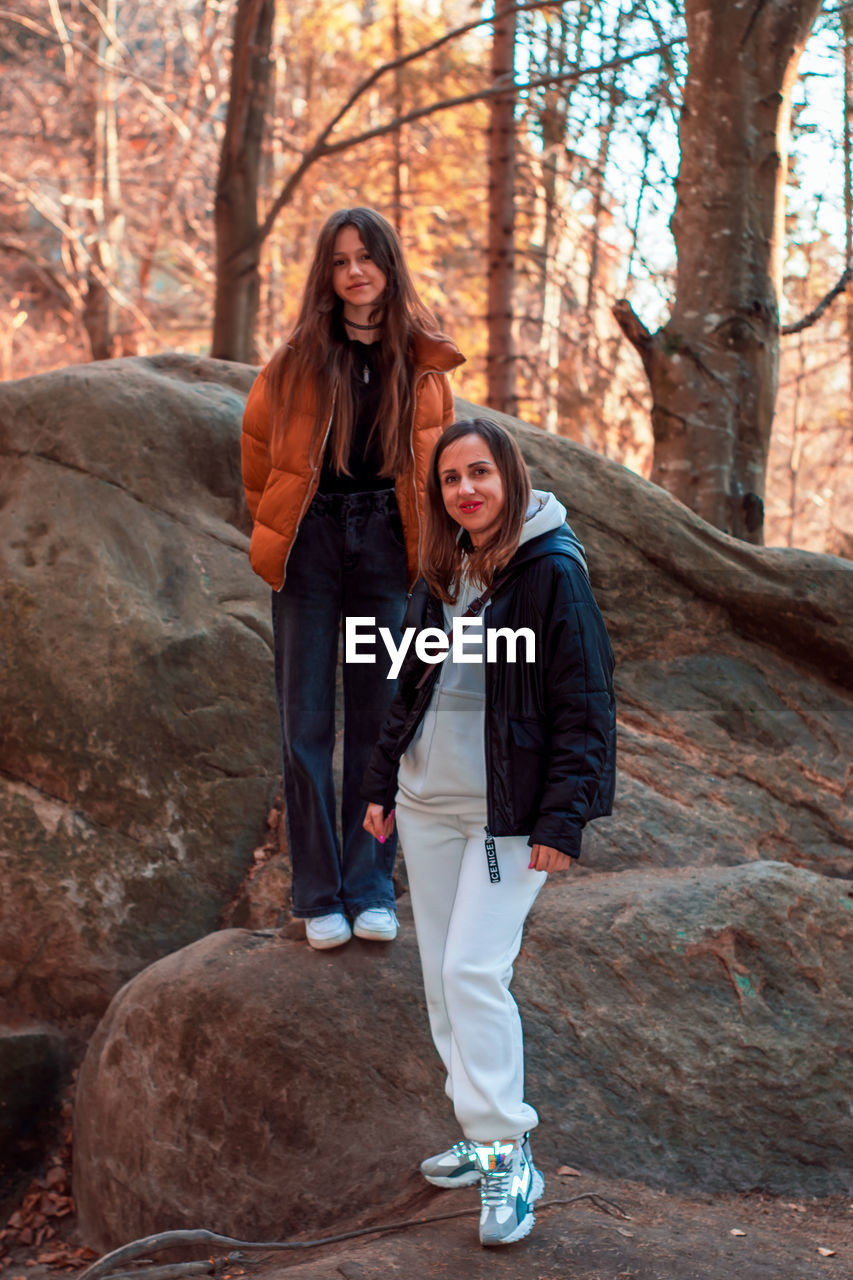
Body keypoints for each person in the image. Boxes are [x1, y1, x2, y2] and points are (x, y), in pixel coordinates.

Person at [362, 418, 616, 1247]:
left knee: (474, 967)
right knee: (442, 976)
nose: (465, 490)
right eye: (449, 480)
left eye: (479, 474)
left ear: (509, 477)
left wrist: (561, 818)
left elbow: (585, 706)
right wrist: (379, 783)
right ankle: (480, 1133)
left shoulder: (552, 572)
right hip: (427, 803)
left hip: (505, 817)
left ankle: (511, 1153)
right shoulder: (445, 570)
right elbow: (409, 684)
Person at [241, 207, 464, 951]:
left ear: (388, 265)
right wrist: (280, 525)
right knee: (305, 724)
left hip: (385, 550)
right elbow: (257, 455)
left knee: (379, 724)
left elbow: (439, 465)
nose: (354, 272)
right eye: (339, 261)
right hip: (310, 546)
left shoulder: (423, 365)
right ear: (326, 276)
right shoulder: (297, 360)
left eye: (366, 257)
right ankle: (317, 893)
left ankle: (370, 886)